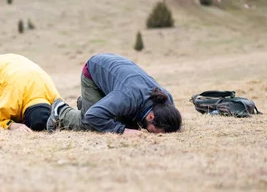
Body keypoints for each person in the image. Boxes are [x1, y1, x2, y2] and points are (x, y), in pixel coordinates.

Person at [46, 53, 182, 134]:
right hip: (94, 69)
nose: (155, 134)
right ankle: (61, 110)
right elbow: (94, 116)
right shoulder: (129, 97)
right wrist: (122, 131)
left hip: (118, 73)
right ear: (151, 116)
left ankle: (95, 102)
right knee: (90, 123)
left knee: (128, 122)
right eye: (155, 131)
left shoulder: (166, 100)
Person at [0, 54, 61, 132]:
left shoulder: (54, 97)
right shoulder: (13, 98)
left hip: (19, 64)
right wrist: (12, 125)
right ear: (23, 119)